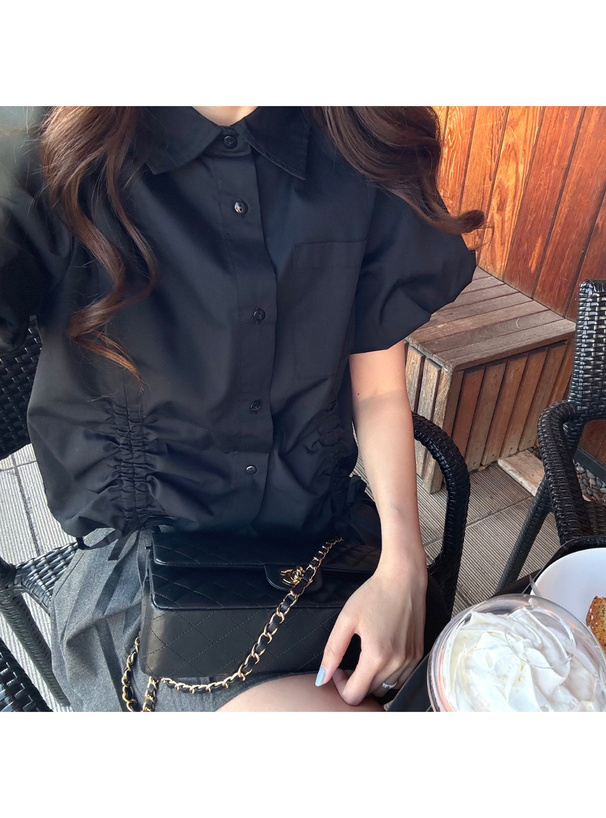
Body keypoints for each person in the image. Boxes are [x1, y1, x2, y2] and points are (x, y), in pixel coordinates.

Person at [0, 105, 483, 712]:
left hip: (320, 545)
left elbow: (380, 390)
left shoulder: (362, 138)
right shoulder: (55, 143)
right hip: (152, 580)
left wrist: (403, 565)